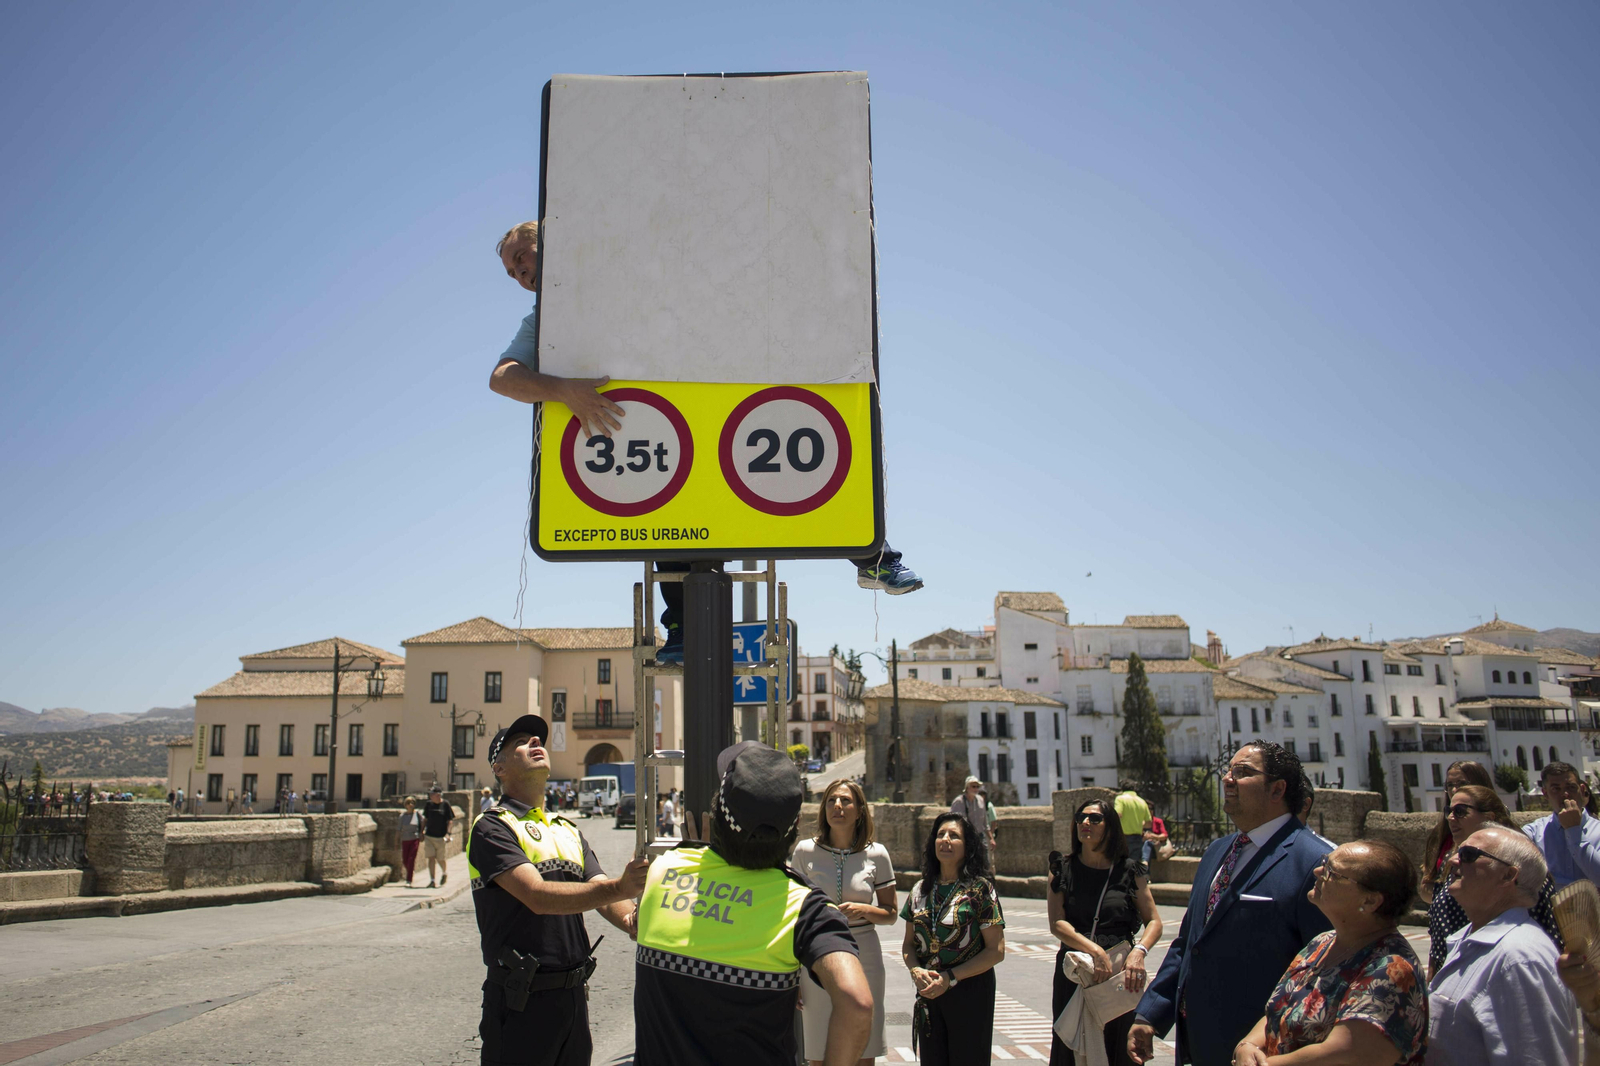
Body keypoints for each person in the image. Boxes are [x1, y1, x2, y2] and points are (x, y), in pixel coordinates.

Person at [485, 220, 922, 665]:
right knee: (665, 513)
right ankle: (680, 631)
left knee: (809, 460)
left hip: (722, 396)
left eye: (523, 257)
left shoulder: (632, 270)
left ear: (555, 240)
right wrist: (563, 390)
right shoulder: (543, 321)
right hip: (646, 427)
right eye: (512, 273)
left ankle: (874, 556)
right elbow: (502, 379)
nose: (521, 275)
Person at [633, 742, 871, 1066]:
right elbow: (856, 1003)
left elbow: (630, 916)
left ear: (717, 813)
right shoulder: (805, 907)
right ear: (795, 828)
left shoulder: (664, 871)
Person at [1129, 741, 1333, 1066]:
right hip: (1197, 1044)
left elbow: (1324, 972)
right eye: (1228, 770)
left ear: (1277, 789)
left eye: (1243, 772)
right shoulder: (1216, 852)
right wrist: (1151, 1013)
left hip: (1261, 1051)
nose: (1227, 779)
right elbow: (1190, 942)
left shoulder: (1314, 862)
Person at [468, 714, 647, 1066]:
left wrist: (632, 920)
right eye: (520, 741)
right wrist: (621, 886)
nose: (536, 743)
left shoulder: (566, 828)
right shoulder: (493, 826)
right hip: (521, 1002)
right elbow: (536, 895)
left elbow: (598, 886)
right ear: (499, 767)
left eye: (538, 740)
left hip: (573, 999)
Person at [1232, 841, 1428, 1066]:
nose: (1317, 871)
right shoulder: (1322, 943)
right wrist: (1248, 1046)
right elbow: (1279, 1010)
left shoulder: (1392, 970)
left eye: (1331, 872)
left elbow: (1345, 1054)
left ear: (1370, 900)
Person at [1426, 825, 1578, 1065]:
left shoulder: (1519, 959)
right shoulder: (1472, 939)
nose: (1453, 860)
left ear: (1508, 876)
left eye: (1468, 855)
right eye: (1457, 851)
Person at [791, 779, 898, 1066]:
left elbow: (890, 913)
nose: (838, 807)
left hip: (866, 955)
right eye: (831, 801)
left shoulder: (877, 854)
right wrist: (792, 976)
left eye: (846, 801)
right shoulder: (803, 852)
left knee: (863, 1050)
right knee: (818, 1050)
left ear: (860, 810)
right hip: (816, 956)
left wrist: (865, 909)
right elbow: (791, 916)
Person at [1049, 798, 1163, 1066]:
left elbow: (1155, 922)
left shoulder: (1129, 871)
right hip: (1075, 972)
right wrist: (1095, 950)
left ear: (1110, 827)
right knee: (1072, 1048)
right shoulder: (1062, 869)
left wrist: (1139, 952)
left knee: (1118, 1047)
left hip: (1119, 975)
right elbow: (1057, 923)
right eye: (1080, 817)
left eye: (1094, 818)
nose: (1085, 823)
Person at [900, 812, 1007, 1064]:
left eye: (954, 836)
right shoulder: (920, 890)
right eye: (940, 835)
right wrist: (915, 970)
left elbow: (996, 950)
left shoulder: (980, 889)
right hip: (930, 991)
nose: (945, 840)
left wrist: (950, 978)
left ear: (967, 846)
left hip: (969, 991)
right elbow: (908, 944)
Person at [1424, 785, 1561, 977]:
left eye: (1460, 811)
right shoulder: (1453, 860)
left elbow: (1546, 930)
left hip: (1498, 973)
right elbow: (1438, 931)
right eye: (1448, 810)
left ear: (1489, 818)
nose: (1450, 817)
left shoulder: (1518, 864)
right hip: (1450, 972)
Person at [1525, 761, 1600, 889]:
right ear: (1545, 794)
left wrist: (1574, 831)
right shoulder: (1534, 832)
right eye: (1556, 789)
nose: (1565, 794)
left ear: (1581, 790)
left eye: (1570, 787)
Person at [950, 776, 995, 857]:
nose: (976, 789)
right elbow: (953, 822)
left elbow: (985, 822)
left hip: (980, 836)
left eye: (977, 787)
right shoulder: (959, 802)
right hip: (965, 837)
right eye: (973, 786)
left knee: (985, 862)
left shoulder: (980, 800)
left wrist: (991, 838)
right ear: (967, 787)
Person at [1114, 784, 1155, 865]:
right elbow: (1148, 823)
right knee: (1132, 865)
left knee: (1120, 865)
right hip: (1137, 838)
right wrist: (1138, 824)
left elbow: (1117, 815)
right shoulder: (1142, 801)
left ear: (1122, 790)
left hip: (1123, 836)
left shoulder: (1120, 799)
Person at [423, 785, 454, 889]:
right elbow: (425, 819)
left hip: (440, 837)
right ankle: (432, 881)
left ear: (438, 795)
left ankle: (444, 873)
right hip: (429, 836)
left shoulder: (445, 804)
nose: (431, 796)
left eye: (432, 794)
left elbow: (450, 821)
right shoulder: (429, 804)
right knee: (431, 858)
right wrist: (421, 831)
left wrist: (448, 834)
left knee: (440, 859)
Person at [398, 796, 425, 886]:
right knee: (405, 860)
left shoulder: (417, 814)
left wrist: (422, 832)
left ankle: (409, 879)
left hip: (414, 838)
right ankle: (410, 870)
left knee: (411, 858)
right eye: (408, 803)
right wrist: (396, 841)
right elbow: (399, 829)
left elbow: (423, 822)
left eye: (412, 803)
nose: (410, 805)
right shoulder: (402, 816)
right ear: (405, 805)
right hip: (405, 839)